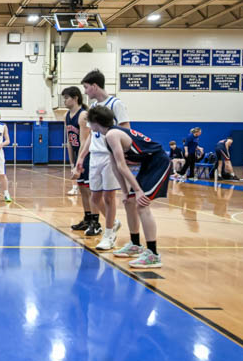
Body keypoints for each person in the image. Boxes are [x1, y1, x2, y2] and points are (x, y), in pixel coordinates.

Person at [87, 105, 171, 269]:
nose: (88, 125)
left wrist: (138, 191)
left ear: (95, 122)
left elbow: (122, 165)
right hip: (148, 164)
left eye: (89, 121)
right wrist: (125, 192)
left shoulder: (112, 134)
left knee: (142, 204)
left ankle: (153, 255)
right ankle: (135, 245)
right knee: (130, 202)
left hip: (158, 163)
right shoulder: (108, 136)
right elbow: (115, 166)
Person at [73, 69, 128, 250]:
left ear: (95, 86)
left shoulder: (116, 104)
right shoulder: (94, 107)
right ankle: (114, 222)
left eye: (86, 87)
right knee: (95, 198)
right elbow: (90, 135)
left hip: (109, 156)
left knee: (109, 197)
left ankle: (109, 234)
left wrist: (120, 156)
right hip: (94, 156)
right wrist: (81, 157)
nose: (85, 91)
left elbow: (126, 131)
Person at [62, 87, 96, 231]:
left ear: (75, 98)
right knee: (82, 188)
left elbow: (84, 141)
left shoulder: (83, 115)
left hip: (87, 156)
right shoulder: (66, 116)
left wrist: (79, 162)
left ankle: (95, 221)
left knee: (89, 190)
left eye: (66, 98)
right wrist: (72, 163)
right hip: (78, 156)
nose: (64, 101)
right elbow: (69, 141)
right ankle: (87, 218)